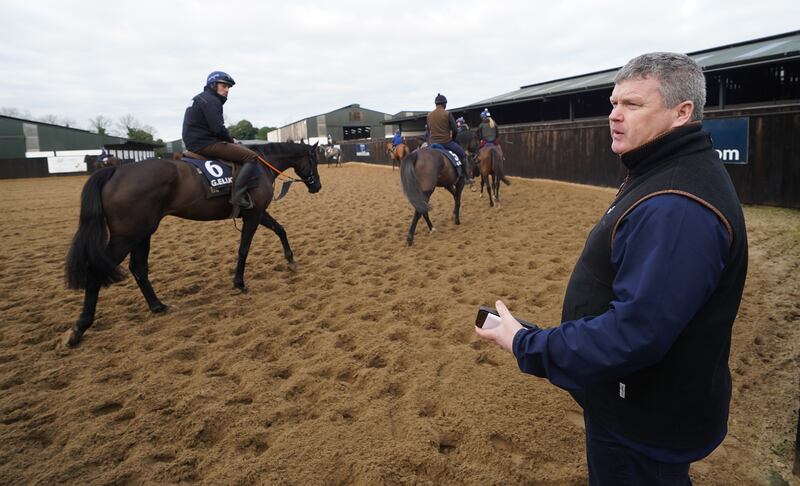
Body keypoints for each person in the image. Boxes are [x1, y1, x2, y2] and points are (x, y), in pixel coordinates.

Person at [475, 52, 748, 485]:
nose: (615, 116)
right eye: (613, 103)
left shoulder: (675, 205)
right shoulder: (663, 171)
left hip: (642, 419)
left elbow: (636, 332)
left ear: (682, 113)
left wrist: (528, 344)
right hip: (635, 400)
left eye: (632, 105)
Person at [182, 71, 260, 217]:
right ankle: (238, 195)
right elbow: (218, 129)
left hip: (194, 142)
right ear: (213, 85)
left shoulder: (201, 98)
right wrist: (232, 141)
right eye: (224, 86)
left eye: (228, 87)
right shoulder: (212, 100)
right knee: (251, 157)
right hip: (205, 143)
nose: (227, 90)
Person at [427, 93, 471, 182]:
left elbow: (428, 130)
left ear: (436, 104)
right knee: (463, 154)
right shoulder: (447, 114)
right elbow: (455, 130)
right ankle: (466, 177)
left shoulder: (429, 115)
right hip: (446, 142)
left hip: (432, 143)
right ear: (444, 104)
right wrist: (453, 140)